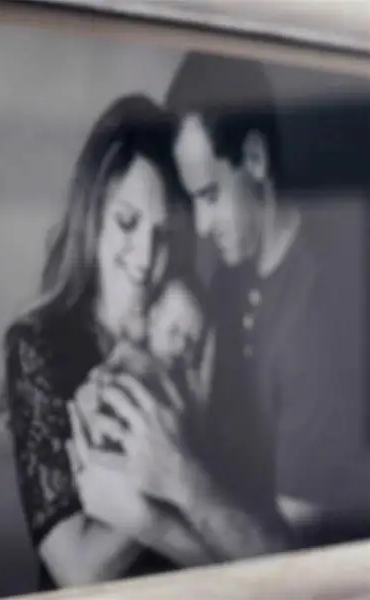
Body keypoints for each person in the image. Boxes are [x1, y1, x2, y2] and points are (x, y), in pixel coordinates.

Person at [77, 51, 370, 560]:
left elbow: (294, 573)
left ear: (255, 159)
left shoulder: (323, 328)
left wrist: (168, 492)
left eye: (210, 195)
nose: (204, 226)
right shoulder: (232, 281)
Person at [1, 93, 216, 591]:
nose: (144, 257)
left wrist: (147, 492)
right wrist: (173, 469)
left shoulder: (194, 324)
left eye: (164, 234)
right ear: (91, 213)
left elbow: (225, 550)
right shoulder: (37, 346)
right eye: (127, 222)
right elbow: (76, 567)